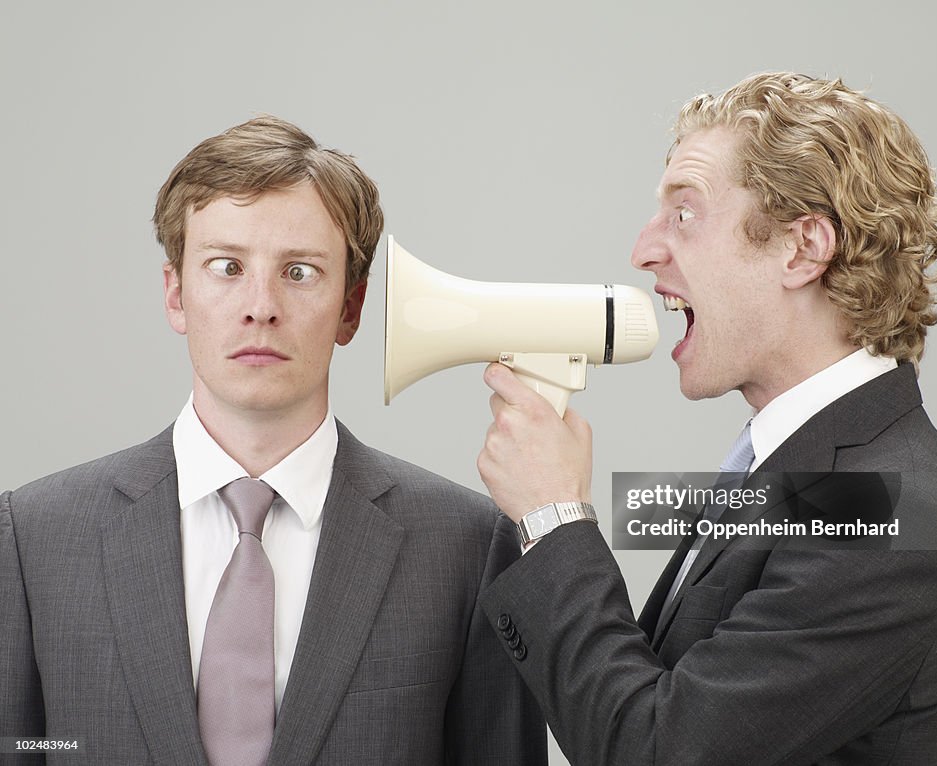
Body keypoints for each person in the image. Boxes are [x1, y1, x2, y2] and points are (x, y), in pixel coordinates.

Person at [476, 73, 937, 765]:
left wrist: (553, 518)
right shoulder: (794, 467)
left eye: (684, 214)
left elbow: (656, 750)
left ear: (803, 247)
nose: (644, 250)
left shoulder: (901, 510)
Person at [0, 116, 545, 765]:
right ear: (176, 294)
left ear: (351, 307)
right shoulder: (35, 538)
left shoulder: (465, 544)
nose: (261, 305)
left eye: (301, 271)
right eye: (226, 266)